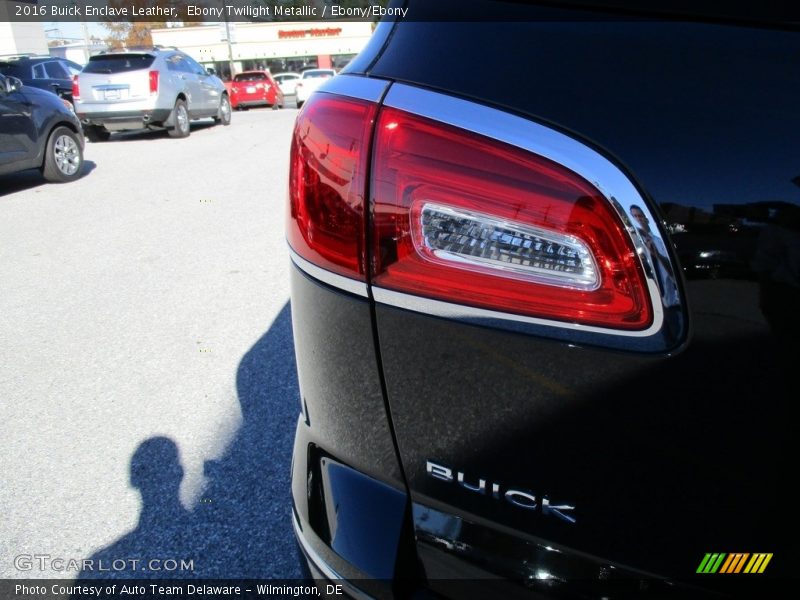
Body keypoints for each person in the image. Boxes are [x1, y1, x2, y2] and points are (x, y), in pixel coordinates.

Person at [630, 204, 680, 309]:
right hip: (646, 305)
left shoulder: (659, 241)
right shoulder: (632, 242)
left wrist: (657, 255)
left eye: (640, 216)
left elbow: (672, 272)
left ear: (646, 218)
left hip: (670, 303)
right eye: (634, 216)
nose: (638, 219)